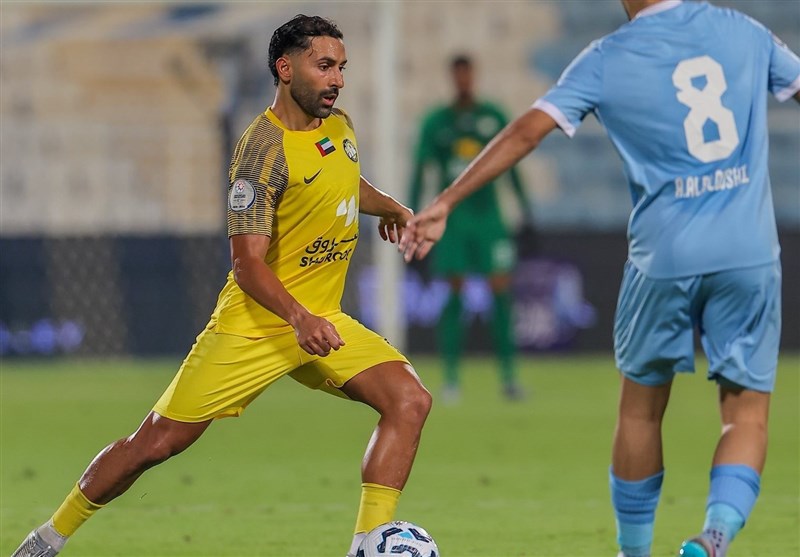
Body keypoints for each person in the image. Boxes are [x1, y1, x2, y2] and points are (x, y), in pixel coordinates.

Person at [12, 15, 432, 557]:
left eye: (341, 68)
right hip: (257, 324)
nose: (337, 80)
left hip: (322, 321)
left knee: (409, 400)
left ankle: (364, 547)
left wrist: (390, 206)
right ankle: (47, 538)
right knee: (155, 443)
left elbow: (343, 180)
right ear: (286, 69)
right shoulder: (261, 151)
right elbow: (247, 265)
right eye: (325, 66)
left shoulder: (337, 126)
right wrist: (299, 318)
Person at [399, 1, 800, 556]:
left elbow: (527, 132)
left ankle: (633, 553)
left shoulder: (607, 57)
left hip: (664, 257)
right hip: (748, 253)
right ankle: (715, 535)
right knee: (745, 416)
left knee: (640, 412)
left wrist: (446, 200)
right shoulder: (744, 31)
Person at [408, 54, 533, 403]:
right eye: (458, 75)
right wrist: (410, 214)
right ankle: (450, 377)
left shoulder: (493, 116)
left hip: (489, 217)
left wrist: (526, 211)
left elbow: (512, 164)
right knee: (454, 291)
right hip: (454, 219)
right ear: (452, 77)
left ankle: (509, 376)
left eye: (467, 74)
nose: (463, 80)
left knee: (501, 290)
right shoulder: (437, 122)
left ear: (473, 76)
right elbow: (420, 169)